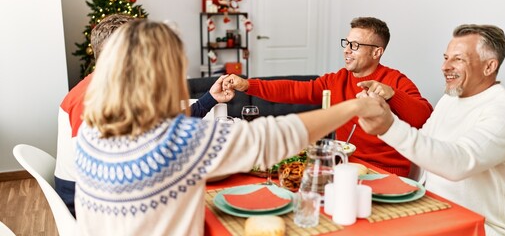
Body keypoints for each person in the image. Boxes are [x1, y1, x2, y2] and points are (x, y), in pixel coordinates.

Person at [74, 19, 384, 236]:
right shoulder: (182, 142)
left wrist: (207, 100)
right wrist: (355, 107)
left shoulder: (90, 131)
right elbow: (275, 137)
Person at [54, 14, 235, 216]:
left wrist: (211, 98)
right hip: (90, 205)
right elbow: (103, 175)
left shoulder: (118, 87)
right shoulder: (90, 99)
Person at [222, 17, 433, 177]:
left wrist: (392, 95)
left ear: (377, 52)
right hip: (343, 168)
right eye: (347, 43)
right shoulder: (336, 80)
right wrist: (247, 84)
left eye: (355, 46)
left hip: (385, 174)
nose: (347, 51)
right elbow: (293, 90)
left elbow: (424, 117)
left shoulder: (395, 80)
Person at [358, 24, 505, 235]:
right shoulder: (450, 99)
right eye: (446, 57)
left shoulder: (504, 112)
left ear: (489, 67)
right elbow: (424, 145)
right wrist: (384, 112)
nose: (445, 66)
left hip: (481, 227)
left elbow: (458, 163)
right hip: (432, 211)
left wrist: (388, 126)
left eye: (458, 59)